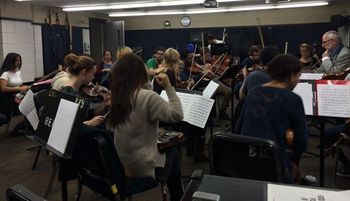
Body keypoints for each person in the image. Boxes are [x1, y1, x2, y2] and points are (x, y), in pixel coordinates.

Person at [108, 53, 184, 201]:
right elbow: (177, 115)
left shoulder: (117, 95)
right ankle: (178, 197)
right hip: (141, 167)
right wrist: (168, 87)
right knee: (174, 152)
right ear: (141, 73)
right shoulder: (147, 97)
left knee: (169, 151)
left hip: (121, 163)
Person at [235, 54, 308, 183]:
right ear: (291, 75)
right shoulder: (293, 99)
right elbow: (301, 143)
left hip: (246, 159)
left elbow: (239, 127)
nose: (298, 81)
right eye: (298, 77)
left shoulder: (254, 92)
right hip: (273, 162)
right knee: (296, 171)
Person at [60, 53, 106, 127]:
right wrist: (89, 123)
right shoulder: (69, 94)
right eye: (92, 74)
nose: (93, 77)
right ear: (83, 72)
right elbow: (65, 125)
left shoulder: (77, 89)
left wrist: (105, 104)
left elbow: (86, 111)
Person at [0, 53, 30, 136]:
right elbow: (3, 88)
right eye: (17, 60)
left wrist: (25, 87)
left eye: (20, 60)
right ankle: (17, 127)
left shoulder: (18, 72)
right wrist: (19, 88)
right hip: (8, 99)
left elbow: (20, 85)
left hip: (17, 96)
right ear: (11, 61)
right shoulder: (5, 74)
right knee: (28, 104)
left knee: (32, 100)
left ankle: (25, 125)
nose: (19, 62)